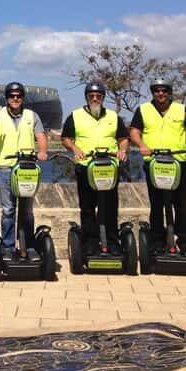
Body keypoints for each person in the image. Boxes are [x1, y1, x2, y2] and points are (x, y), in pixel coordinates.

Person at [129, 78, 186, 255]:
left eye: (164, 90)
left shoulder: (182, 109)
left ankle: (184, 244)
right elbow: (134, 131)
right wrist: (142, 145)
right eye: (157, 90)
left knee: (180, 205)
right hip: (154, 163)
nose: (161, 93)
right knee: (156, 205)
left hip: (178, 162)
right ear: (153, 92)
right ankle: (157, 243)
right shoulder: (143, 110)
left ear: (169, 92)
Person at [0, 81, 48, 261]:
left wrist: (42, 151)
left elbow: (41, 135)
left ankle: (30, 246)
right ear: (7, 98)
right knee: (8, 210)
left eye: (18, 96)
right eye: (12, 96)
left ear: (23, 97)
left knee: (27, 210)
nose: (15, 98)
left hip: (27, 167)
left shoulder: (31, 115)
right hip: (5, 167)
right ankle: (8, 247)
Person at [60, 82, 129, 254]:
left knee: (110, 206)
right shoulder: (75, 116)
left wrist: (122, 150)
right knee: (88, 207)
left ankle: (113, 243)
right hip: (86, 167)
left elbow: (123, 138)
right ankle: (90, 243)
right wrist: (75, 149)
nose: (95, 98)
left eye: (98, 95)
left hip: (109, 167)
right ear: (86, 97)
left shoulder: (113, 116)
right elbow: (66, 138)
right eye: (91, 95)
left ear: (103, 97)